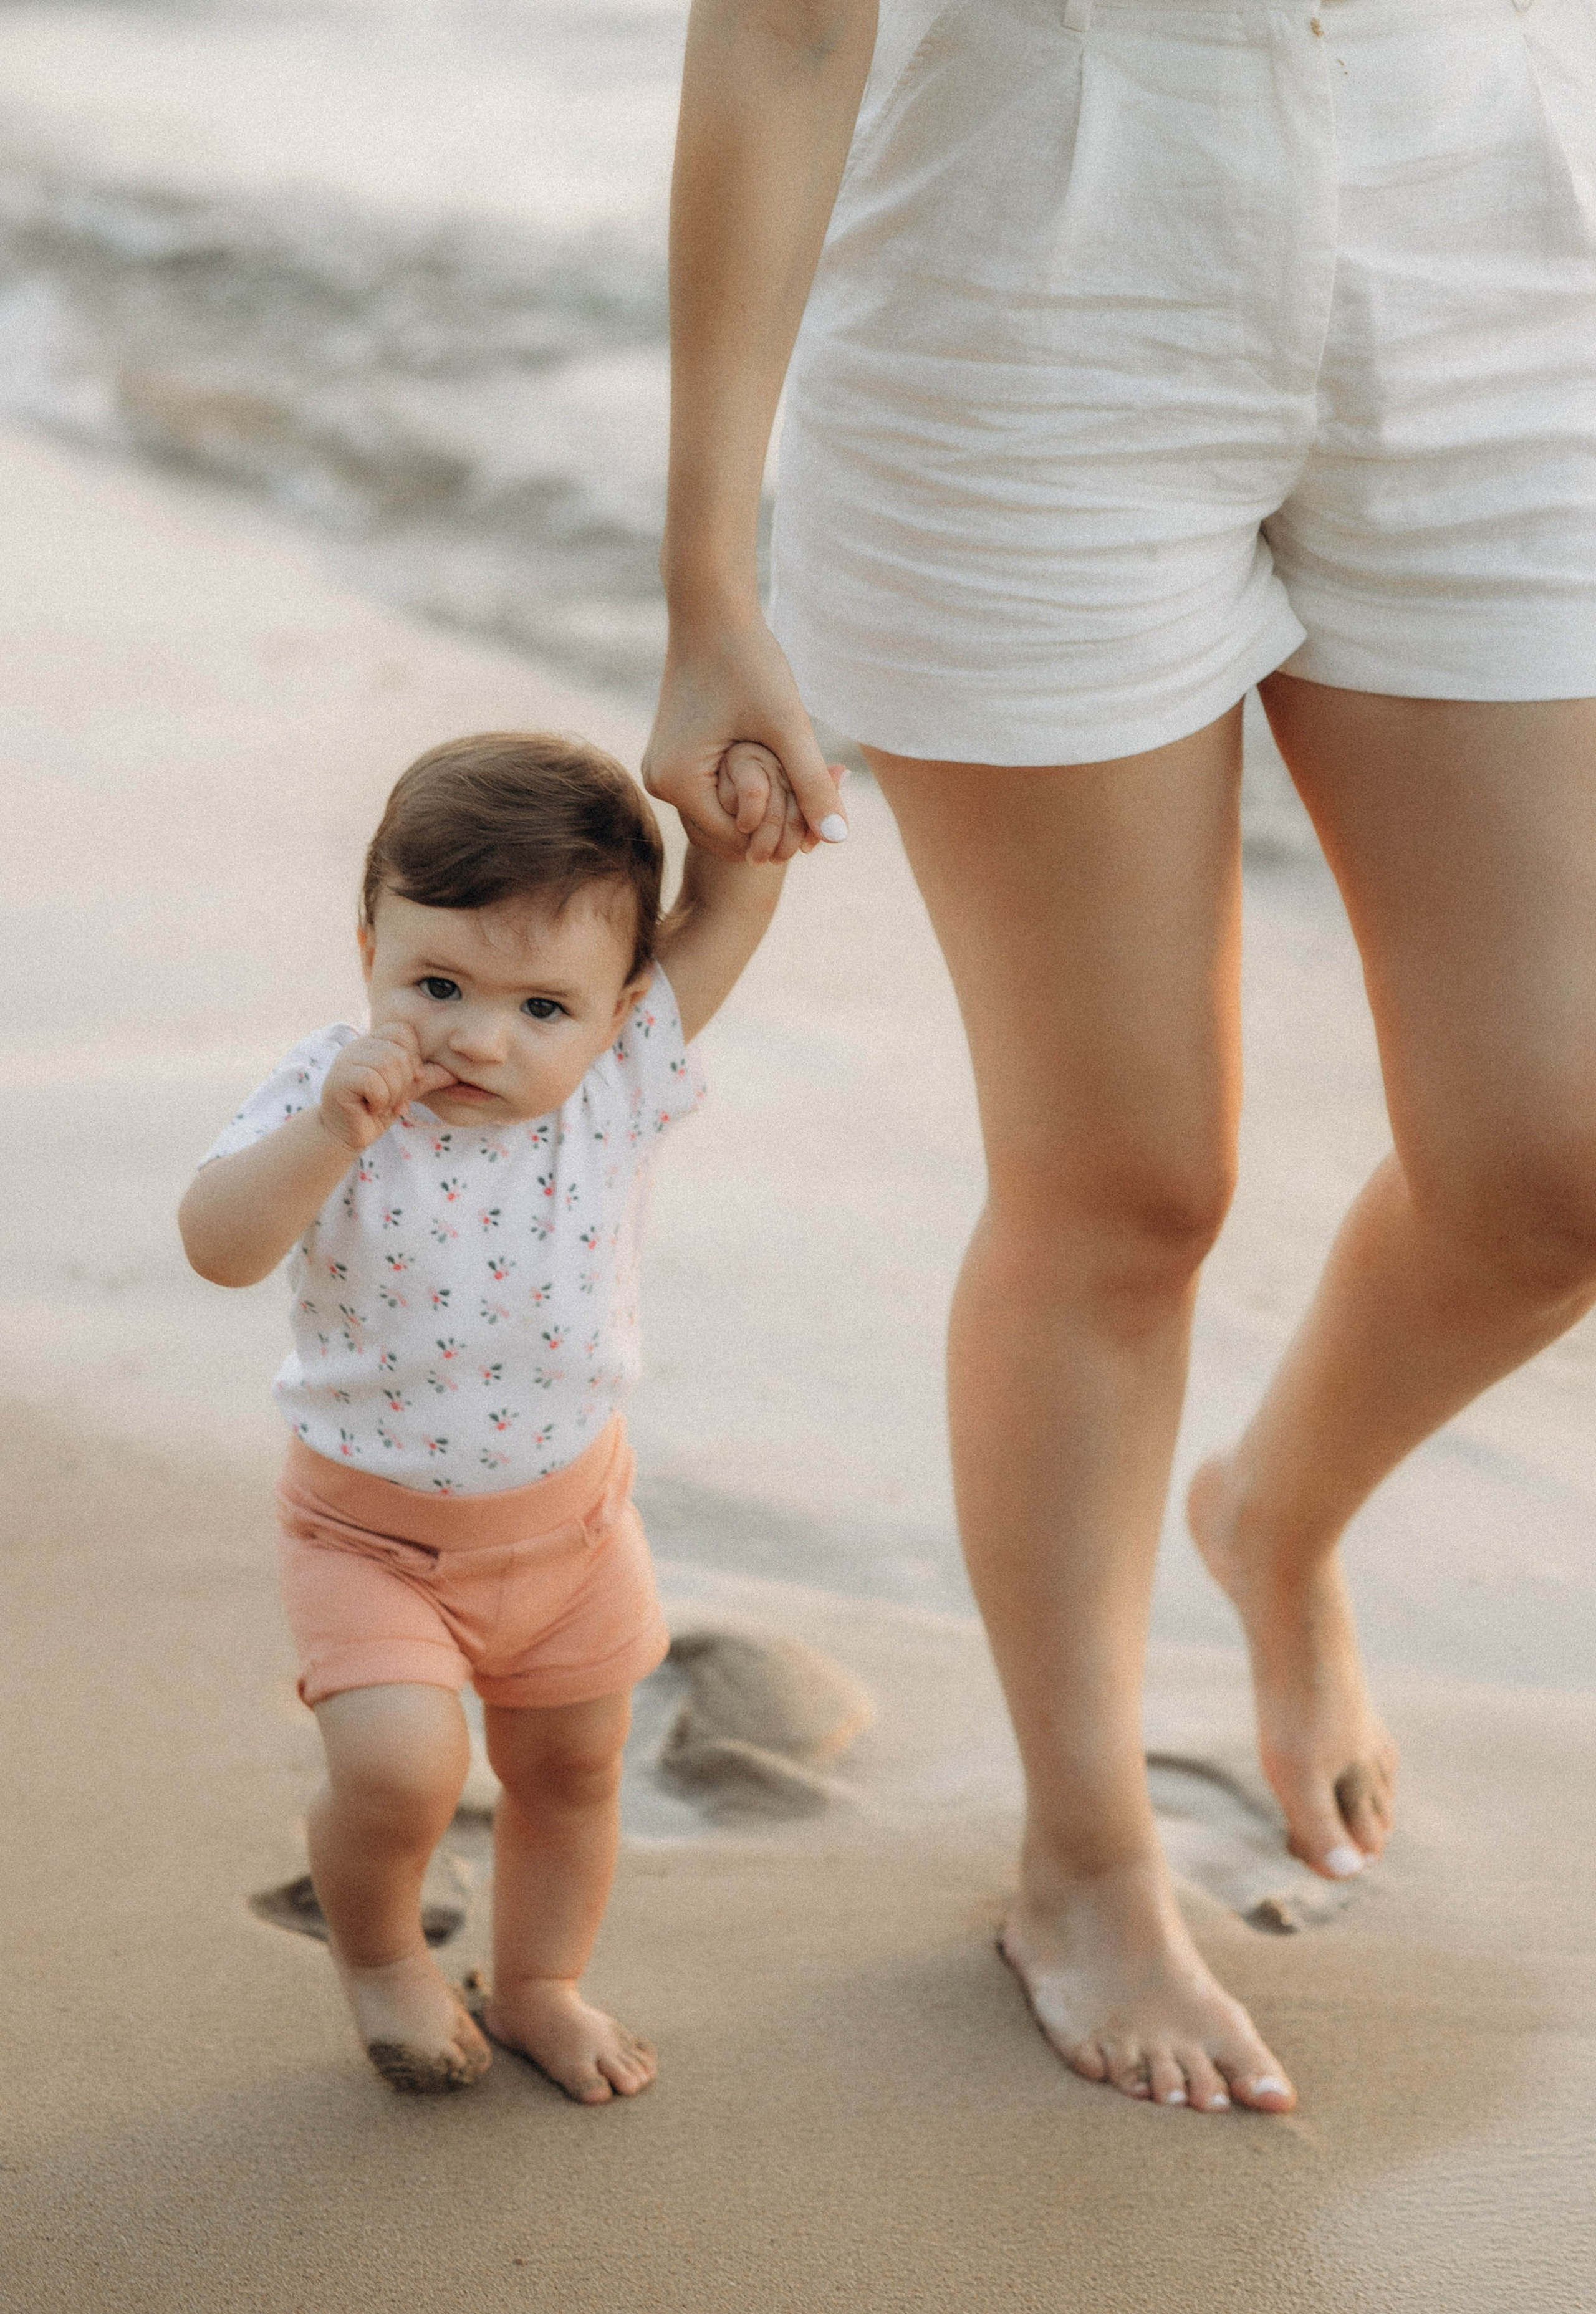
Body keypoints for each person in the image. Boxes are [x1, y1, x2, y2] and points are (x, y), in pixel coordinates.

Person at [642, 0, 1596, 2113]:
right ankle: (1084, 1856)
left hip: (1501, 236)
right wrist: (708, 577)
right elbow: (788, 23)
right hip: (1038, 289)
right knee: (1125, 1178)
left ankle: (1278, 1520)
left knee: (1558, 1168)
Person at [180, 729, 820, 2100]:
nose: (479, 1037)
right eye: (436, 986)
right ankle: (382, 1958)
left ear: (620, 1007)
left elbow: (732, 908)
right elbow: (219, 1247)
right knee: (400, 1773)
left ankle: (538, 1982)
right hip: (368, 1544)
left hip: (575, 1535)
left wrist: (744, 809)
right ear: (369, 949)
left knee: (574, 1771)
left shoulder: (618, 1080)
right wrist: (327, 1138)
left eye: (540, 1006)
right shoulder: (327, 1094)